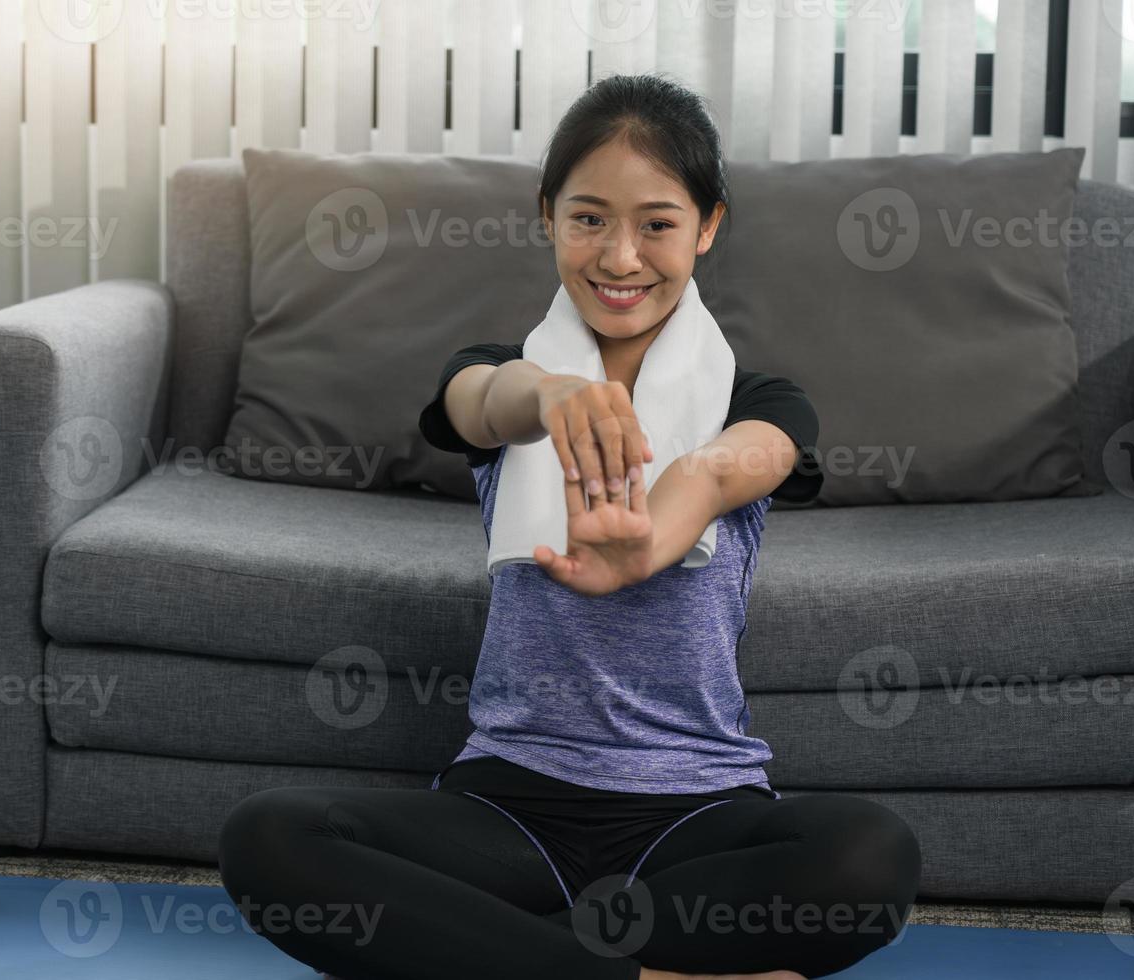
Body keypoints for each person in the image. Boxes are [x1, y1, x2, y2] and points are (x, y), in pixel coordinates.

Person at [218, 72, 921, 980]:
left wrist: (652, 540)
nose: (620, 257)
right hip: (508, 812)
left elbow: (724, 470)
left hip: (697, 815)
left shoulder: (759, 402)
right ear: (547, 216)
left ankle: (499, 955)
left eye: (657, 224)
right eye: (589, 218)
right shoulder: (506, 382)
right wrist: (551, 393)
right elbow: (476, 404)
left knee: (869, 857)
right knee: (270, 842)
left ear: (707, 228)